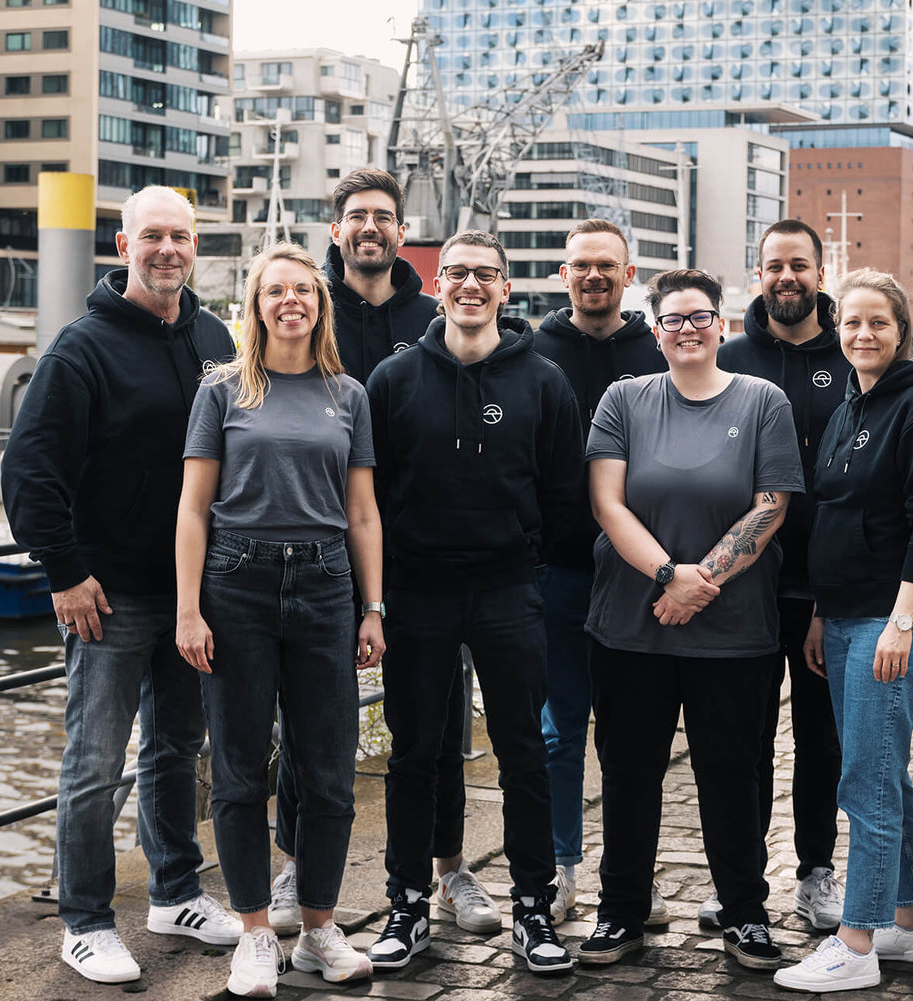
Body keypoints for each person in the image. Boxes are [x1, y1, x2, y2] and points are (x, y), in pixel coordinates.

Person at [2, 185, 241, 985]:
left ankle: (175, 891)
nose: (168, 249)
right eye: (153, 236)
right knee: (95, 761)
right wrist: (65, 571)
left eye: (181, 236)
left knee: (177, 747)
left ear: (195, 244)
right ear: (123, 245)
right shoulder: (81, 349)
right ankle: (86, 921)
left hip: (190, 592)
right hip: (108, 593)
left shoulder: (213, 337)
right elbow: (30, 471)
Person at [265, 168, 501, 941]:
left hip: (422, 552)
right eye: (357, 216)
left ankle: (449, 866)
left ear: (403, 232)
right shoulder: (309, 308)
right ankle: (294, 862)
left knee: (438, 720)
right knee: (307, 719)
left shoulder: (432, 316)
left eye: (384, 217)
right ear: (336, 230)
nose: (370, 228)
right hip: (320, 547)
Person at [364, 230, 582, 976]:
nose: (469, 285)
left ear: (505, 288)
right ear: (438, 286)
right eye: (456, 273)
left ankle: (532, 908)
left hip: (507, 587)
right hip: (418, 589)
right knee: (414, 753)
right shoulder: (393, 379)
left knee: (523, 751)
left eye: (485, 274)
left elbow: (563, 493)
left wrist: (522, 551)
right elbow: (372, 493)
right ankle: (406, 905)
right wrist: (380, 595)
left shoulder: (545, 382)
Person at [576, 268, 803, 972]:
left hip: (734, 632)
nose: (688, 329)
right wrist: (670, 577)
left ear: (722, 324)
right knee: (628, 774)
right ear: (656, 331)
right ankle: (621, 912)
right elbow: (608, 503)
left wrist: (701, 583)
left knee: (733, 776)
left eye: (700, 316)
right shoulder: (624, 399)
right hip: (631, 624)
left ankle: (745, 913)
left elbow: (771, 504)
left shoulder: (763, 401)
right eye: (673, 319)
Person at [174, 243, 382, 995]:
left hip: (326, 583)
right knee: (237, 769)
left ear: (320, 306)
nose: (291, 300)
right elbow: (193, 508)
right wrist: (189, 608)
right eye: (275, 290)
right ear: (255, 306)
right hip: (237, 581)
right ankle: (256, 934)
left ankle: (319, 928)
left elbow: (362, 512)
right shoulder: (222, 390)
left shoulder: (347, 394)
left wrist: (373, 608)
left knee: (327, 768)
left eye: (304, 290)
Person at [774, 268, 913, 993]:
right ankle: (909, 924)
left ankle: (855, 941)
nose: (862, 334)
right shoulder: (850, 405)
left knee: (867, 779)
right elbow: (835, 515)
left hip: (893, 623)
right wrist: (822, 611)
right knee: (883, 771)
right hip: (845, 617)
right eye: (851, 322)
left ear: (902, 331)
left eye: (877, 322)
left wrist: (901, 620)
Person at [530, 218, 666, 926]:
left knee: (631, 737)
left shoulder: (656, 351)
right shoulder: (532, 350)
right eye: (581, 264)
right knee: (558, 732)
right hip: (557, 569)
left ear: (628, 273)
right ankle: (562, 868)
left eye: (606, 265)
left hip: (639, 573)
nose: (593, 275)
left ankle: (630, 874)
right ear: (564, 274)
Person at [718, 219, 849, 933]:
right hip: (746, 584)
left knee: (821, 741)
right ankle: (741, 876)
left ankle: (815, 870)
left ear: (820, 275)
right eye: (774, 265)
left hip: (825, 587)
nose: (786, 276)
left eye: (799, 264)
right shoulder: (731, 358)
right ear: (759, 274)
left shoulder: (851, 356)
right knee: (743, 738)